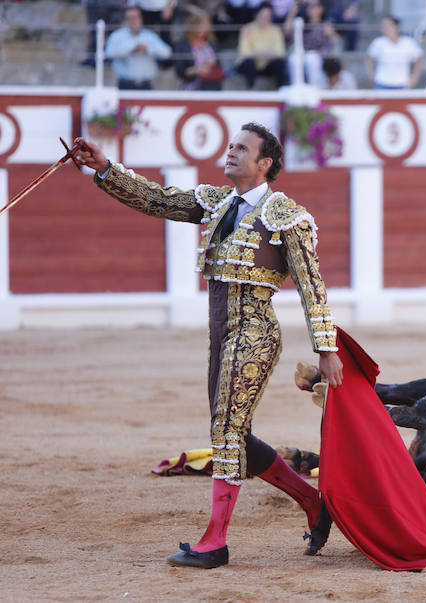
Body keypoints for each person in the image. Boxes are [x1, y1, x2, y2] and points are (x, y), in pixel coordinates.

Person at [71, 122, 344, 568]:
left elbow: (312, 284)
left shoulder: (287, 215)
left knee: (225, 433)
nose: (231, 152)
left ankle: (214, 541)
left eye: (242, 148)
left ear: (265, 163)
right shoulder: (217, 202)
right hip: (220, 331)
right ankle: (313, 501)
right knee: (235, 433)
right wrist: (104, 168)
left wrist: (326, 348)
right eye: (231, 145)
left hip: (255, 330)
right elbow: (159, 200)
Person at [105, 6, 172, 90]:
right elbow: (109, 53)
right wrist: (131, 50)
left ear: (141, 18)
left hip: (146, 84)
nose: (134, 20)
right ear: (125, 20)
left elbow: (167, 52)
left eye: (136, 17)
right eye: (130, 18)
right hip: (124, 84)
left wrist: (147, 49)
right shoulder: (117, 35)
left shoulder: (150, 35)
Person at [235, 3, 289, 89]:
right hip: (249, 65)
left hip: (266, 65)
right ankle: (251, 91)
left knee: (280, 64)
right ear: (257, 14)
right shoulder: (247, 28)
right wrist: (267, 53)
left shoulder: (276, 30)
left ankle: (281, 91)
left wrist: (258, 53)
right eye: (263, 15)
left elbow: (281, 53)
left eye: (268, 15)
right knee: (249, 62)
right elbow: (245, 53)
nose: (265, 18)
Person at [364, 16, 424, 89]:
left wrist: (414, 78)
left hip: (402, 84)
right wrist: (371, 75)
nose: (385, 28)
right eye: (383, 26)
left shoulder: (408, 42)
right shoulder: (378, 42)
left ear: (397, 27)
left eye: (388, 25)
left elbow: (419, 59)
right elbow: (368, 58)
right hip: (382, 83)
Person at [173, 13, 225, 91]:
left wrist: (211, 66)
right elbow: (180, 71)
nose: (203, 29)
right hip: (191, 86)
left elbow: (219, 65)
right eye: (200, 26)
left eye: (206, 26)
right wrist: (196, 70)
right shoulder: (182, 45)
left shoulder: (212, 43)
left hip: (212, 85)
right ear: (192, 26)